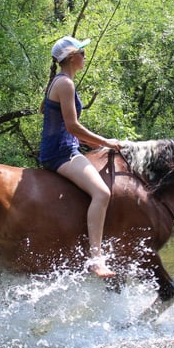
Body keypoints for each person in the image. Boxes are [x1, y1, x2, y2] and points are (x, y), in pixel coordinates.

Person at [39, 35, 120, 278]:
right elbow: (72, 127)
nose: (85, 56)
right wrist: (106, 142)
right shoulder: (65, 84)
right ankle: (96, 260)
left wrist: (102, 144)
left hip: (66, 148)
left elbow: (71, 129)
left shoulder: (62, 81)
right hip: (61, 153)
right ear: (72, 58)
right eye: (82, 53)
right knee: (102, 193)